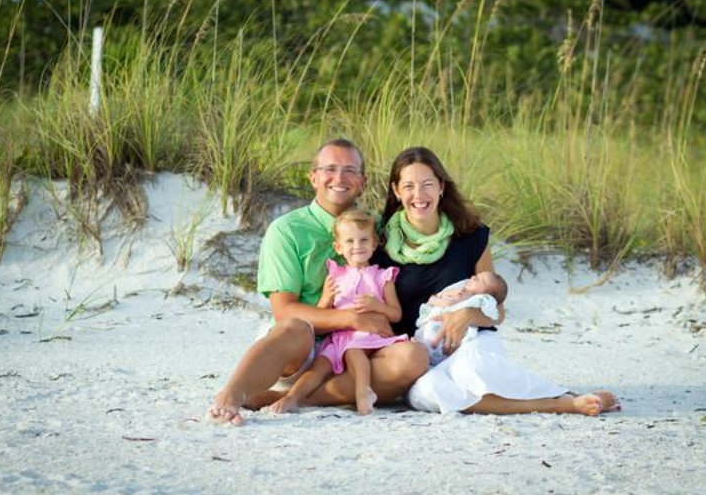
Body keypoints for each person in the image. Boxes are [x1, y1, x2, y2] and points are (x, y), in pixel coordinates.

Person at [373, 146, 620, 416]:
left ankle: (563, 400)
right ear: (396, 191)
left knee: (473, 368)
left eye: (427, 184)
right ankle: (561, 402)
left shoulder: (471, 236)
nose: (418, 195)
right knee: (428, 392)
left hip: (470, 343)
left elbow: (497, 311)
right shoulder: (378, 245)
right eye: (408, 186)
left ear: (441, 187)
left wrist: (468, 314)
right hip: (420, 358)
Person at [209, 139, 428, 425]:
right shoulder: (287, 230)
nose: (339, 178)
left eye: (350, 170)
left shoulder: (375, 227)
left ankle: (291, 399)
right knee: (295, 327)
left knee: (414, 358)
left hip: (361, 354)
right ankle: (231, 397)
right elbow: (284, 311)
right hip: (304, 353)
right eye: (330, 169)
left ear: (362, 181)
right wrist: (351, 319)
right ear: (313, 177)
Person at [269, 209, 406, 415]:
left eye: (363, 240)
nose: (357, 246)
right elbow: (321, 314)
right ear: (338, 247)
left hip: (367, 335)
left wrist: (378, 307)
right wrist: (325, 298)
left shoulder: (382, 277)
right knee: (319, 366)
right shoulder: (335, 275)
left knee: (354, 351)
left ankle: (363, 394)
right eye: (350, 241)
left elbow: (396, 314)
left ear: (375, 243)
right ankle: (292, 398)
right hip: (338, 337)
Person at [415, 270, 507, 366]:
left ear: (488, 295)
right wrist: (444, 299)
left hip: (449, 344)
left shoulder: (480, 300)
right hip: (424, 335)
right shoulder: (457, 289)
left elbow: (495, 313)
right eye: (476, 276)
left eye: (480, 280)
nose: (473, 277)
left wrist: (469, 312)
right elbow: (432, 301)